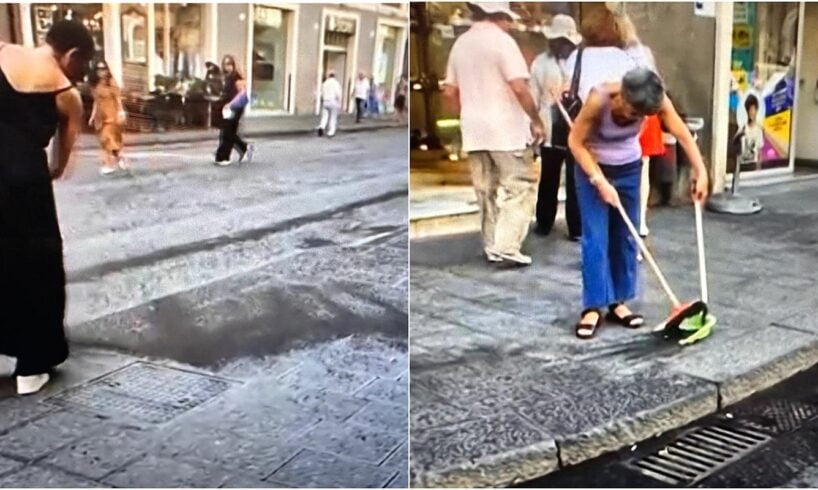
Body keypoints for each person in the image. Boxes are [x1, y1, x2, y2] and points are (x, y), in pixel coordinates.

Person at [568, 67, 709, 339]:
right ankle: (593, 307)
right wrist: (599, 180)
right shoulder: (599, 98)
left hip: (629, 169)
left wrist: (700, 172)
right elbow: (575, 142)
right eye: (634, 113)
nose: (636, 119)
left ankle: (618, 302)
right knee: (596, 238)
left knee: (626, 236)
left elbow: (681, 133)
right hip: (593, 169)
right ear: (621, 95)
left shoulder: (655, 100)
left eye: (643, 116)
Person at [0, 20, 92, 395]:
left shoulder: (3, 52)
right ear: (71, 55)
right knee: (38, 270)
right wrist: (48, 167)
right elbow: (61, 156)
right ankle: (31, 366)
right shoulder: (65, 91)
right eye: (80, 65)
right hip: (25, 184)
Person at [443, 1, 546, 265]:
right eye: (508, 19)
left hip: (475, 130)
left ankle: (491, 244)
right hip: (506, 129)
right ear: (499, 16)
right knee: (519, 187)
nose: (510, 24)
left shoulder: (461, 44)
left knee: (485, 190)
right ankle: (507, 246)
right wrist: (535, 119)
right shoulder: (503, 43)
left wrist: (465, 115)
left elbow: (450, 92)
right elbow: (520, 88)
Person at [529, 14, 581, 238]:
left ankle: (576, 227)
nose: (562, 45)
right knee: (549, 177)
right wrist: (534, 124)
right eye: (558, 40)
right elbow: (533, 95)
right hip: (550, 127)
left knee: (575, 179)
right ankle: (544, 221)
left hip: (576, 127)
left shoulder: (581, 61)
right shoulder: (541, 63)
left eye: (565, 41)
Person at [89, 59, 128, 175]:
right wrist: (92, 115)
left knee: (108, 138)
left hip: (112, 115)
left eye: (104, 69)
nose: (101, 72)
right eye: (99, 69)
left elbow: (117, 98)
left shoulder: (112, 83)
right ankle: (120, 158)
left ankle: (110, 164)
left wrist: (121, 112)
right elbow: (96, 101)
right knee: (106, 141)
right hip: (101, 116)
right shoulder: (96, 85)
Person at [214, 54, 254, 166]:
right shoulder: (228, 77)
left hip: (235, 107)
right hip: (228, 107)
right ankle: (243, 148)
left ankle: (224, 156)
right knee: (227, 132)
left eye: (229, 64)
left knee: (228, 131)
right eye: (225, 64)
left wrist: (230, 104)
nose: (227, 67)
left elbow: (242, 94)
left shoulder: (237, 77)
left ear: (234, 64)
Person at [735, 94, 763, 168]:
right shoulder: (742, 129)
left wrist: (758, 169)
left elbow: (760, 152)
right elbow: (737, 153)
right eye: (750, 110)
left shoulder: (759, 130)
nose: (751, 113)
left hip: (753, 167)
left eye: (753, 109)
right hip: (743, 167)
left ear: (757, 111)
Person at [318, 71, 342, 138]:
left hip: (326, 101)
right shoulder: (336, 83)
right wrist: (340, 103)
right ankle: (331, 132)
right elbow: (338, 94)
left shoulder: (325, 83)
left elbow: (322, 93)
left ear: (329, 75)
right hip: (333, 101)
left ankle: (321, 127)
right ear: (334, 76)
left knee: (324, 116)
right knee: (333, 117)